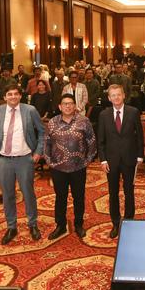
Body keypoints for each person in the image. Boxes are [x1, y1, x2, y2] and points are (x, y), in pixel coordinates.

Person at [0, 83, 45, 245]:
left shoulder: (30, 110)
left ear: (20, 96)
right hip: (3, 160)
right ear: (4, 97)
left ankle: (33, 224)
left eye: (16, 94)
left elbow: (42, 132)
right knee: (8, 194)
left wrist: (38, 152)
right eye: (9, 94)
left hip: (25, 159)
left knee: (28, 193)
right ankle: (11, 226)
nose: (13, 97)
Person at [44, 93, 97, 240]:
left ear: (75, 106)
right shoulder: (52, 122)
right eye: (65, 104)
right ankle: (60, 225)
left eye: (70, 103)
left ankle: (79, 224)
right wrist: (49, 161)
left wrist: (87, 161)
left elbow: (92, 141)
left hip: (78, 168)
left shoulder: (84, 121)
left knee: (78, 197)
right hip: (58, 168)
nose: (68, 106)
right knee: (60, 197)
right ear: (60, 106)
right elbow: (46, 142)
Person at [97, 84, 144, 238]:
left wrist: (140, 155)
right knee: (113, 193)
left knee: (129, 191)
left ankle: (129, 221)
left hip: (130, 158)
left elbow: (139, 136)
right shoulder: (103, 115)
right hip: (111, 161)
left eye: (119, 94)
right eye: (113, 95)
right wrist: (103, 160)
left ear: (124, 95)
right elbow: (100, 140)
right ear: (109, 98)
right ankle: (116, 223)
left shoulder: (133, 112)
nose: (116, 97)